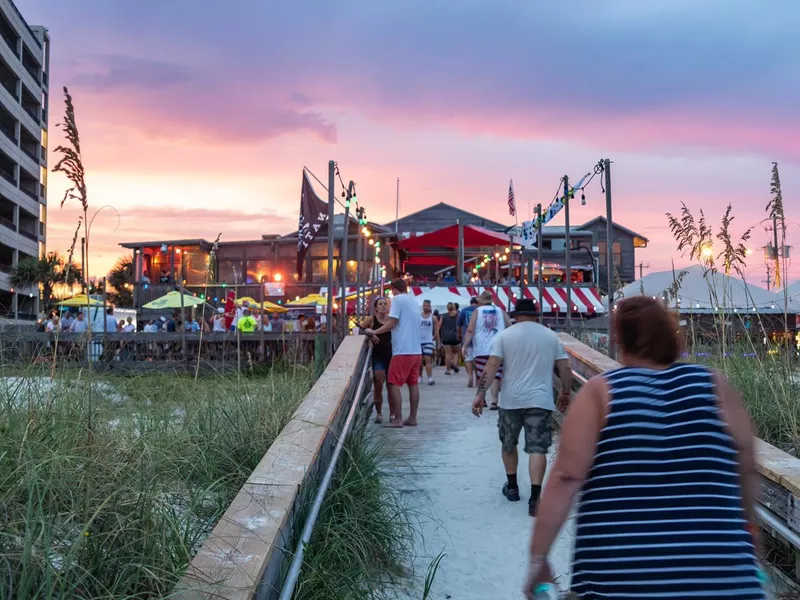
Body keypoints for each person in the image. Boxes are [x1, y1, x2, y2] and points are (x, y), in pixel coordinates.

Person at [523, 296, 764, 599]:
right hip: (723, 570)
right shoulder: (714, 384)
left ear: (618, 339)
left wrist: (538, 558)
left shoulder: (602, 392)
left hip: (623, 577)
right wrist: (748, 531)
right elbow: (746, 467)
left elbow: (567, 477)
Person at [471, 298, 571, 516]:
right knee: (538, 449)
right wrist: (565, 392)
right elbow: (564, 366)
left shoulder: (504, 336)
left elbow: (492, 365)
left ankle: (513, 487)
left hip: (511, 400)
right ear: (535, 315)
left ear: (515, 316)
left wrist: (480, 394)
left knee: (508, 443)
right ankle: (535, 499)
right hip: (541, 400)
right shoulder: (550, 336)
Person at [365, 278, 422, 428]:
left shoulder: (397, 300)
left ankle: (397, 419)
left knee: (392, 383)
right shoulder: (413, 301)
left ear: (394, 289)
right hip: (416, 350)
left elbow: (391, 322)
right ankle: (412, 418)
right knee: (413, 384)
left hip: (402, 351)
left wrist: (374, 332)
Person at [462, 290, 511, 409]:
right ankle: (494, 401)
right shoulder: (501, 311)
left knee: (482, 373)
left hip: (481, 348)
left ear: (480, 302)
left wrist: (465, 345)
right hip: (498, 347)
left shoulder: (477, 311)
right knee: (496, 375)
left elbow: (470, 330)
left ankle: (482, 398)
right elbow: (509, 326)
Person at [359, 296, 392, 424]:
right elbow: (358, 329)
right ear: (376, 308)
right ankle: (379, 414)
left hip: (390, 355)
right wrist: (369, 333)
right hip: (377, 355)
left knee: (391, 386)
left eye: (385, 304)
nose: (383, 306)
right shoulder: (371, 320)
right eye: (380, 304)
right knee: (378, 384)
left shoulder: (391, 320)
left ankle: (393, 414)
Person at [457, 296, 479, 387]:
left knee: (468, 358)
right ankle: (478, 378)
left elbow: (458, 324)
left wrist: (459, 335)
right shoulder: (480, 310)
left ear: (470, 302)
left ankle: (470, 376)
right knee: (477, 359)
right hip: (478, 338)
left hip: (467, 337)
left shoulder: (464, 311)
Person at [419, 299, 439, 385]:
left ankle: (430, 378)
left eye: (427, 306)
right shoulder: (418, 316)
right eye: (424, 305)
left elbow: (436, 330)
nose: (426, 307)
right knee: (419, 361)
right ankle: (419, 377)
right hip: (418, 341)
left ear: (430, 307)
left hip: (428, 341)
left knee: (428, 360)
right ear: (422, 306)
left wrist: (436, 341)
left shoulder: (433, 318)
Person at [440, 302, 461, 375]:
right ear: (454, 307)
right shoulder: (458, 315)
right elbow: (460, 325)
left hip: (446, 337)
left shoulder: (443, 316)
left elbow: (439, 326)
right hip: (455, 337)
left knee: (448, 354)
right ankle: (455, 365)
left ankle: (448, 370)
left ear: (447, 308)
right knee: (455, 353)